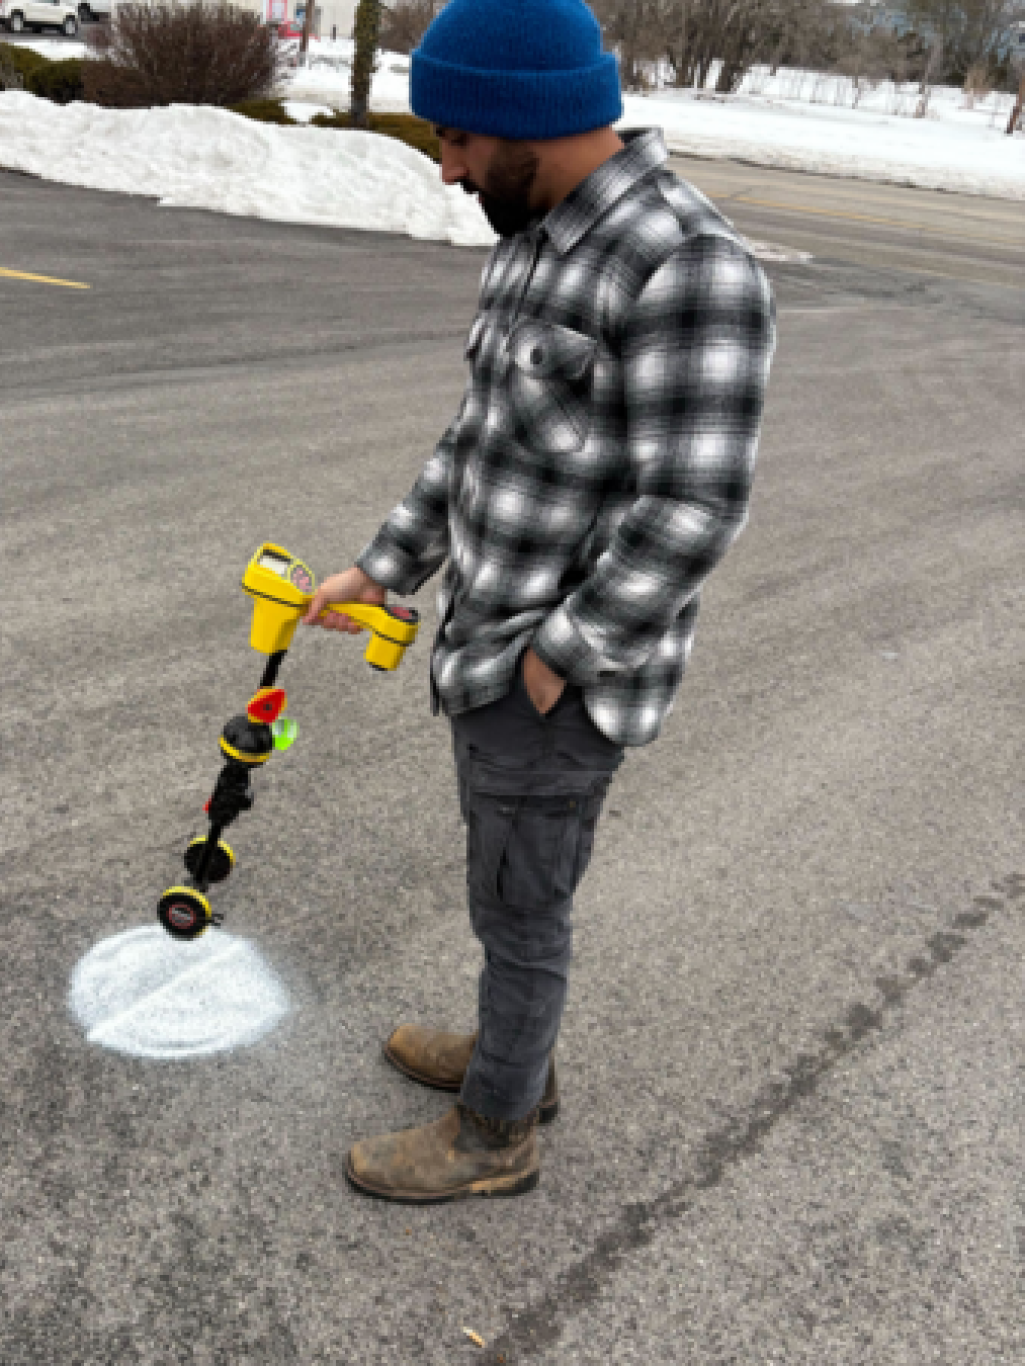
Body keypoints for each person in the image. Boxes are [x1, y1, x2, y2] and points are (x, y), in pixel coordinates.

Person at [302, 0, 778, 1203]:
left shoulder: (690, 265)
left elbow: (695, 506)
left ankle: (495, 1131)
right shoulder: (533, 234)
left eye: (458, 138)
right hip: (487, 643)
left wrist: (558, 655)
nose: (448, 165)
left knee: (522, 907)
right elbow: (477, 439)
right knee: (503, 886)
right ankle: (517, 1056)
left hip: (555, 675)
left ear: (529, 121)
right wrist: (386, 564)